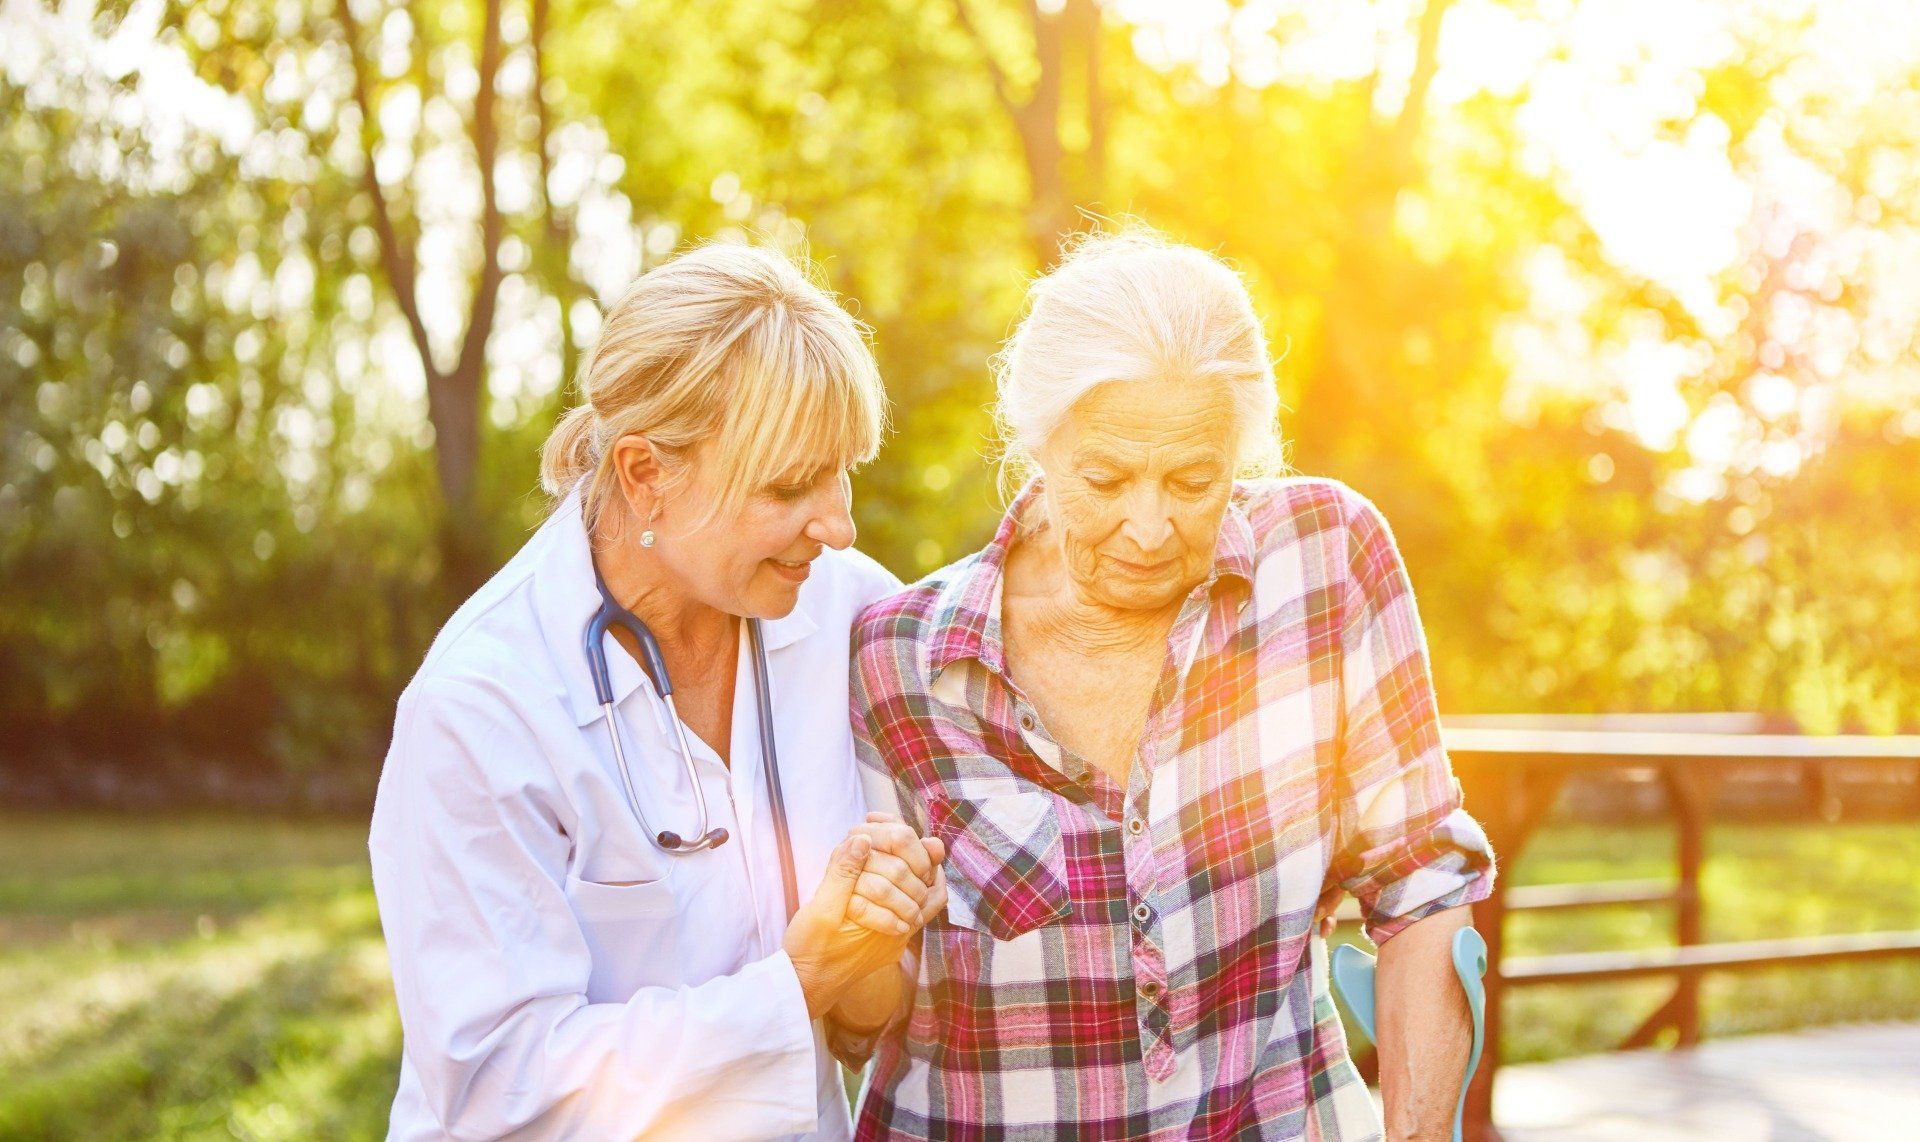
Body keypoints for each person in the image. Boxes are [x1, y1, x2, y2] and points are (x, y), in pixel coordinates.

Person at [849, 228, 1497, 1139]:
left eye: (1194, 479)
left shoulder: (1324, 560)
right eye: (1105, 478)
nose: (1148, 528)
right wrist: (862, 934)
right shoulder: (903, 656)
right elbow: (859, 1018)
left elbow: (1422, 884)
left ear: (1242, 452)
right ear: (1040, 443)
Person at [369, 243, 944, 1140]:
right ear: (646, 475)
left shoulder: (853, 613)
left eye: (844, 471)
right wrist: (797, 985)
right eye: (791, 486)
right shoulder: (482, 707)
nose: (839, 523)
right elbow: (500, 1093)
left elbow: (865, 1023)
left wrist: (869, 965)